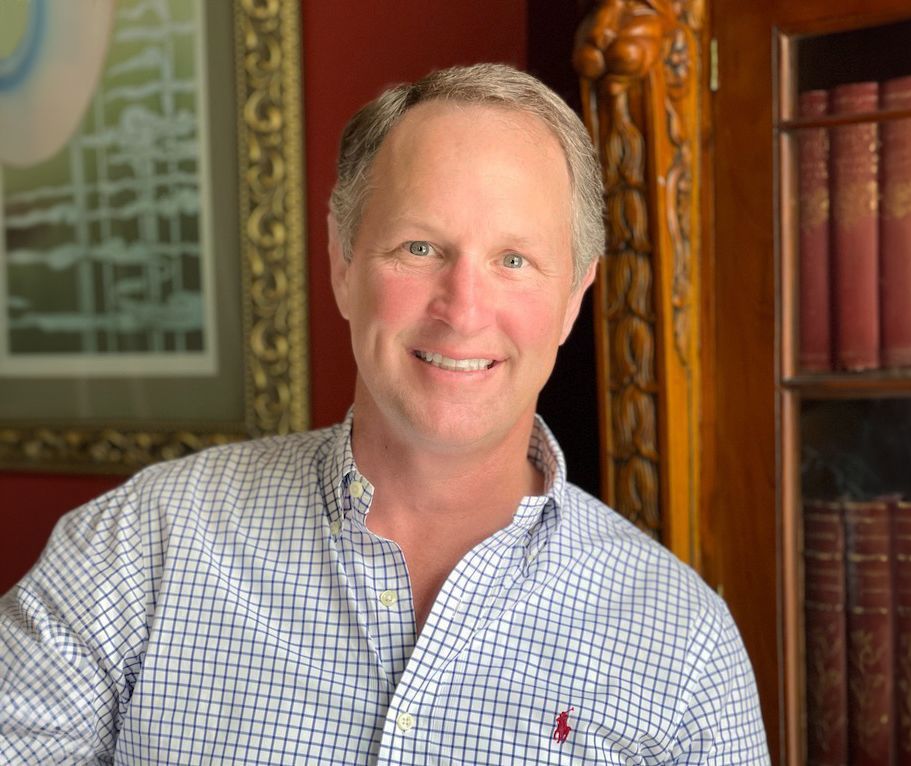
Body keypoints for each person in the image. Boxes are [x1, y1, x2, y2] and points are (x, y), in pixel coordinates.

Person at [0, 63, 770, 764]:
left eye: (513, 260)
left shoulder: (683, 647)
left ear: (573, 298)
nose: (463, 310)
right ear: (341, 263)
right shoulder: (138, 552)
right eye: (419, 248)